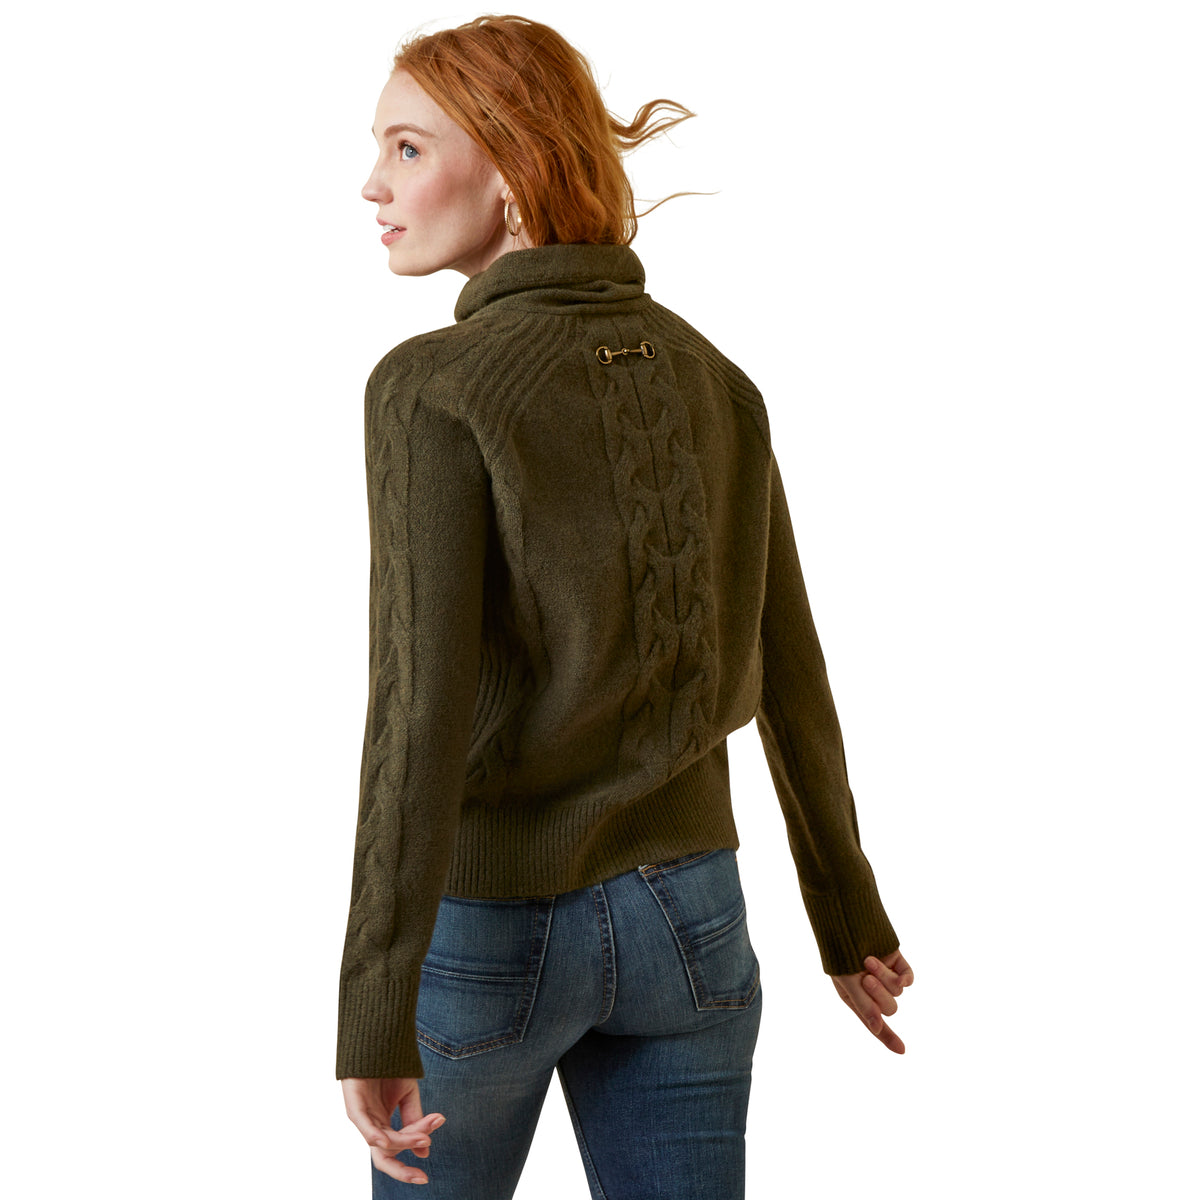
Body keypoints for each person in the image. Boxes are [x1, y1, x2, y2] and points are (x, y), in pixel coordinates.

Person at [337, 15, 913, 1198]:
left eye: (407, 148)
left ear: (511, 167)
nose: (371, 184)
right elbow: (793, 667)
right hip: (692, 919)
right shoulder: (717, 378)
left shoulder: (430, 390)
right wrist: (848, 915)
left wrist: (373, 1011)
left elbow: (417, 712)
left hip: (495, 929)